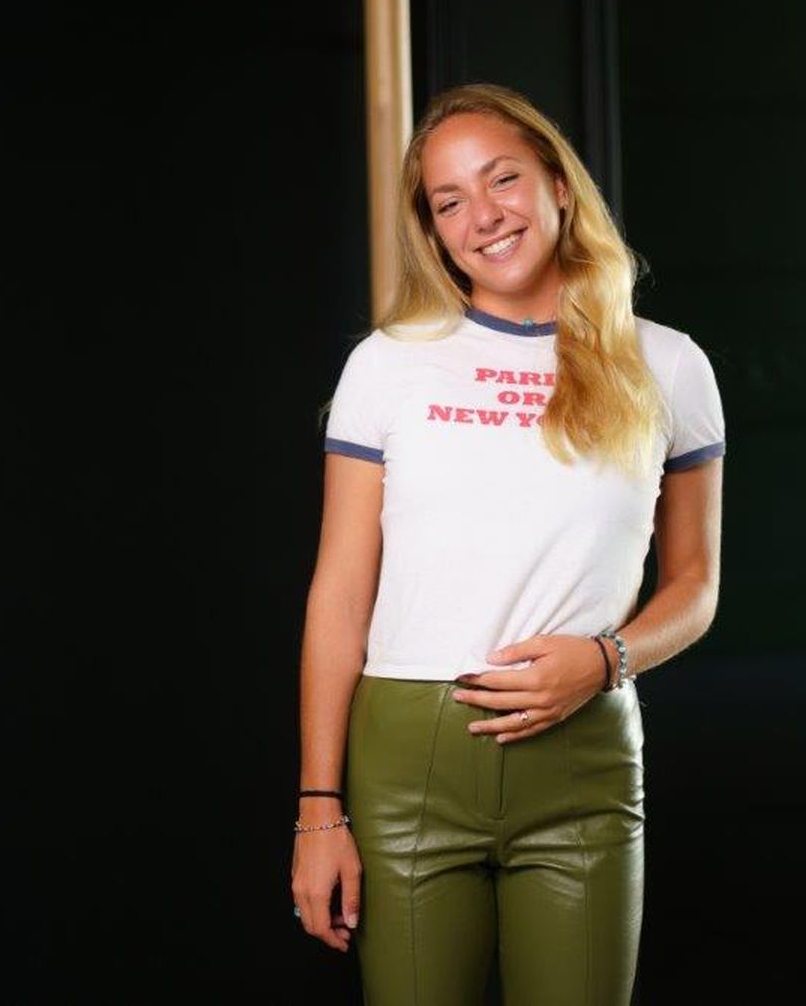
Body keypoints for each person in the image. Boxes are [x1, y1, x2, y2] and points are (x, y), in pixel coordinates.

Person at [291, 82, 726, 1005]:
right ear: (433, 230)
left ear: (558, 184)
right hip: (407, 764)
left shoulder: (670, 364)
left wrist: (606, 660)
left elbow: (695, 585)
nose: (483, 216)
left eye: (503, 179)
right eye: (449, 201)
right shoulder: (389, 364)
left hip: (584, 759)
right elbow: (339, 593)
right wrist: (317, 809)